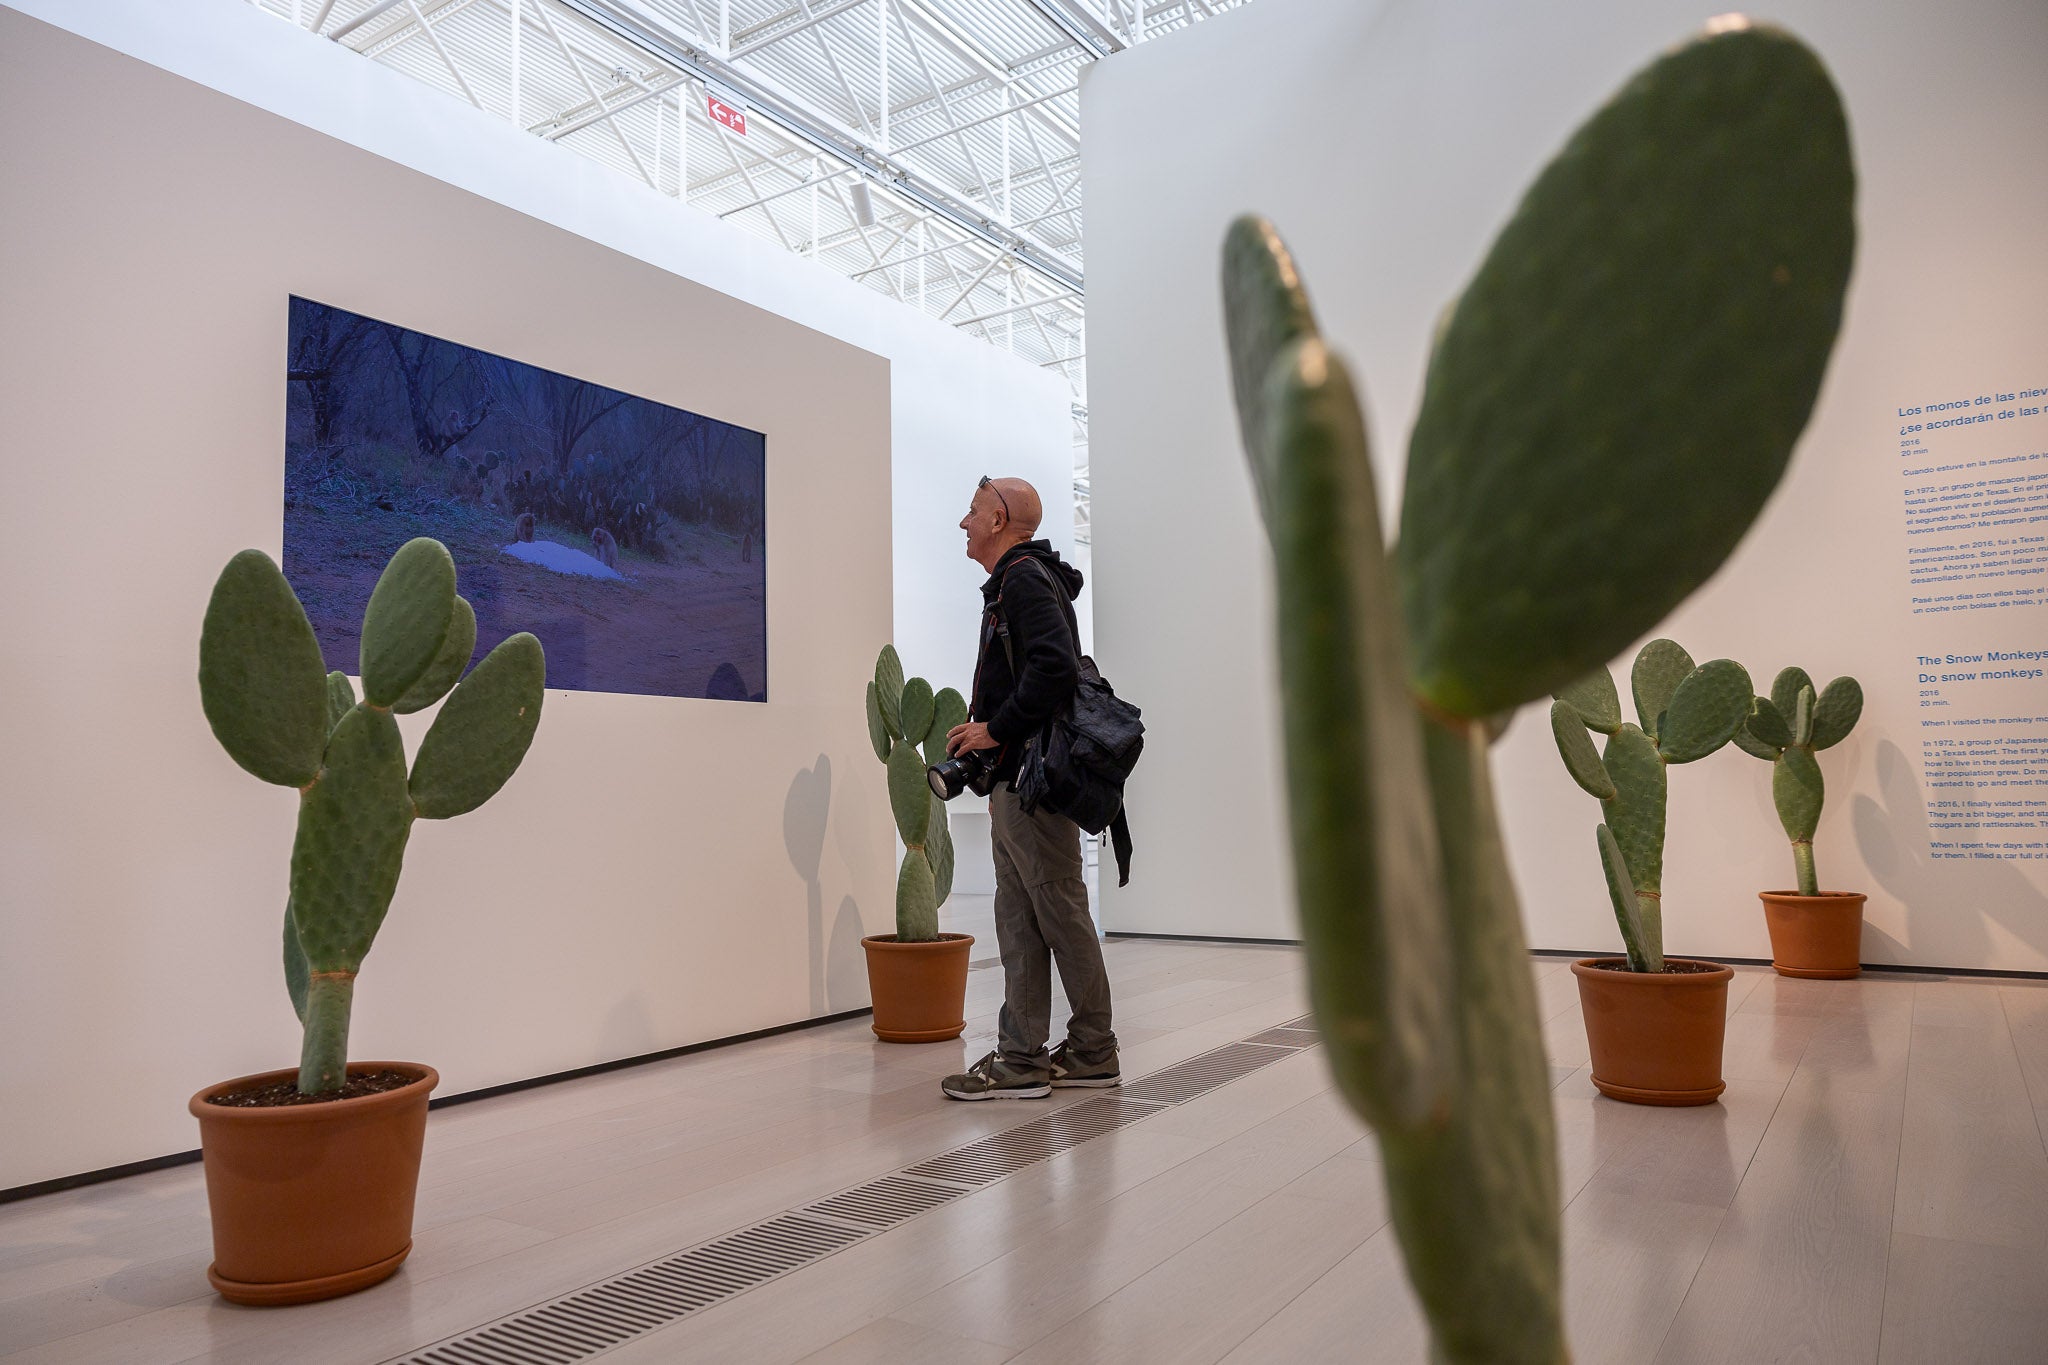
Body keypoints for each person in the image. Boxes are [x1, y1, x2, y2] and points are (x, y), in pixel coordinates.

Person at [939, 476, 1120, 1101]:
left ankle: (1091, 1048)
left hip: (1031, 780)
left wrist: (995, 729)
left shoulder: (1020, 578)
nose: (963, 522)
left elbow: (1053, 666)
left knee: (1058, 911)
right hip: (1020, 778)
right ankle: (1024, 1055)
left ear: (999, 521)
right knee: (1022, 916)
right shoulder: (1019, 579)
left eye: (972, 511)